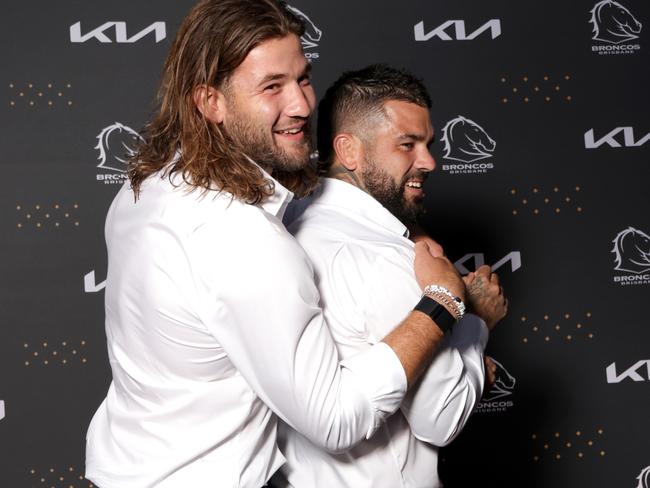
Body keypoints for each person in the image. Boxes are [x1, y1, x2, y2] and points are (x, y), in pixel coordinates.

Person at [85, 2, 471, 487]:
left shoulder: (145, 186)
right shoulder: (242, 238)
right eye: (272, 87)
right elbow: (337, 419)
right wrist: (442, 303)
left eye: (303, 79)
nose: (303, 106)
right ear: (211, 102)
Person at [276, 64, 508, 488]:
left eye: (428, 143)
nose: (430, 161)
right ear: (349, 151)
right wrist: (475, 322)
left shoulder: (288, 224)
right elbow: (442, 418)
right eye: (407, 144)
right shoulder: (386, 259)